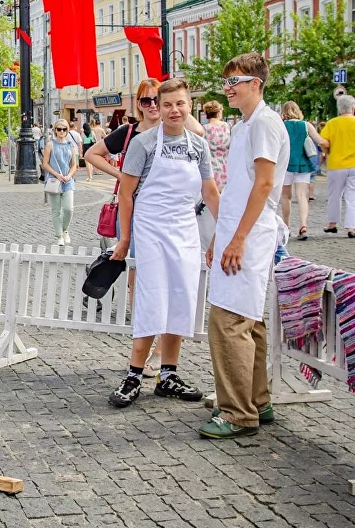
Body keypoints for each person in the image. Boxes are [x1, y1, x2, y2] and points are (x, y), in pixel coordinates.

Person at [109, 78, 219, 408]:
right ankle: (133, 375)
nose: (174, 110)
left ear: (190, 107)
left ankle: (168, 374)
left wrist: (226, 232)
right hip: (151, 230)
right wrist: (125, 239)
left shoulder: (198, 146)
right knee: (151, 298)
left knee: (181, 299)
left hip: (185, 231)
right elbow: (126, 195)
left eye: (180, 104)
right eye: (167, 104)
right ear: (159, 106)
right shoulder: (143, 144)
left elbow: (210, 192)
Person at [200, 52, 290, 439]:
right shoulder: (245, 126)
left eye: (233, 81)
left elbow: (265, 185)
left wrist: (236, 238)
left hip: (251, 235)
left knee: (230, 320)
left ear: (256, 83)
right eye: (226, 83)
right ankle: (256, 399)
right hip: (240, 231)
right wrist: (222, 235)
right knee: (247, 318)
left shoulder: (265, 124)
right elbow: (237, 186)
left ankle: (238, 412)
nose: (228, 89)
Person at [280, 102, 324, 241]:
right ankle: (303, 226)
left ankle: (286, 227)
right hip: (303, 164)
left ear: (283, 112)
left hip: (285, 164)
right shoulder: (306, 125)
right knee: (302, 196)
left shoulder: (281, 126)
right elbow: (320, 141)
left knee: (286, 197)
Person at [320, 95, 355, 238]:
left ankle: (332, 224)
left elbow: (323, 142)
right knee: (352, 196)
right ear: (353, 108)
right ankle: (351, 228)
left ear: (339, 109)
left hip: (336, 165)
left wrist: (327, 151)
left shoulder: (332, 123)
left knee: (334, 195)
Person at [42, 119, 78, 245]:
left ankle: (65, 230)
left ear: (67, 130)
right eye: (59, 129)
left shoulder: (70, 145)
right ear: (55, 130)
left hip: (68, 181)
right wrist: (57, 174)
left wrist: (68, 176)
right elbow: (45, 164)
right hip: (53, 181)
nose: (61, 131)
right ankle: (59, 236)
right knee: (56, 210)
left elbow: (74, 165)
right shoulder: (50, 144)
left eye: (64, 129)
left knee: (69, 209)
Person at [202, 100, 230, 192]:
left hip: (211, 168)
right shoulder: (227, 126)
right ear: (219, 112)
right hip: (227, 166)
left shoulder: (204, 128)